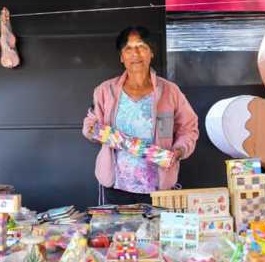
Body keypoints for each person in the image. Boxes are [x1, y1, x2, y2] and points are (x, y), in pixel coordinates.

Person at [82, 26, 199, 205]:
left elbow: (188, 128)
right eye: (128, 48)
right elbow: (90, 125)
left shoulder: (170, 91)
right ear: (121, 57)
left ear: (151, 52)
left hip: (158, 187)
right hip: (116, 186)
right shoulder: (105, 91)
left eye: (141, 46)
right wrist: (93, 131)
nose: (135, 53)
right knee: (116, 225)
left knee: (158, 224)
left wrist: (179, 151)